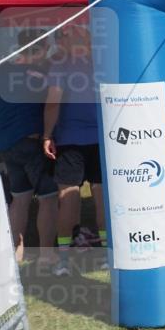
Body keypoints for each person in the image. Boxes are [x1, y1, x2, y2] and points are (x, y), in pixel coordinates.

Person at [0, 29, 58, 262]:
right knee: (48, 197)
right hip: (32, 141)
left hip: (7, 144)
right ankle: (47, 254)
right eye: (46, 47)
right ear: (39, 47)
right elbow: (52, 104)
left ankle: (15, 254)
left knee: (20, 198)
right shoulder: (42, 73)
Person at [42, 24, 105, 276]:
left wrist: (47, 134)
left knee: (68, 199)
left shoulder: (61, 66)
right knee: (102, 198)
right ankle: (107, 255)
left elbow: (52, 103)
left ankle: (64, 260)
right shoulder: (102, 64)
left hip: (70, 140)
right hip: (101, 140)